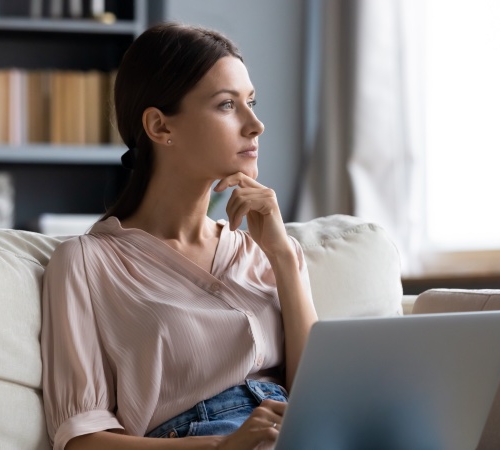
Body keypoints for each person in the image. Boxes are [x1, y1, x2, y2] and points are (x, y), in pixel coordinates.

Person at [40, 22, 318, 450]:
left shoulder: (266, 250)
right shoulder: (86, 263)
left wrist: (284, 258)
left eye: (252, 102)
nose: (256, 125)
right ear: (159, 126)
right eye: (227, 105)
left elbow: (319, 398)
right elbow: (84, 440)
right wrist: (222, 447)